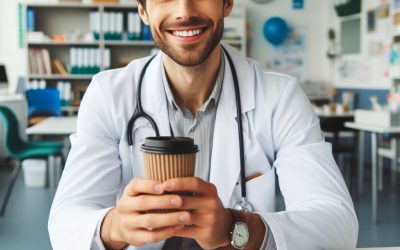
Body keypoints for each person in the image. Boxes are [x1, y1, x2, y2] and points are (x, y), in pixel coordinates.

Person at [48, 0, 358, 249]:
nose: (184, 11)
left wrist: (236, 229)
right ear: (143, 10)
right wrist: (116, 225)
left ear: (227, 3)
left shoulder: (279, 95)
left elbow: (338, 226)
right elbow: (64, 226)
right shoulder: (109, 94)